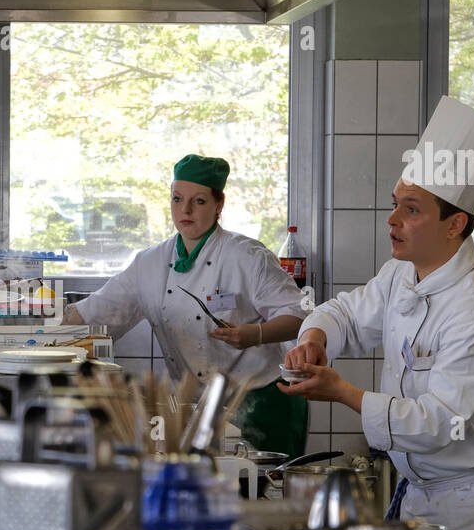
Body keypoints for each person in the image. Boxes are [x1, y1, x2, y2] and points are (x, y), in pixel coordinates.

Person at [280, 96, 474, 530]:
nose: (392, 219)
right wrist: (314, 340)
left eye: (412, 209)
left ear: (455, 225)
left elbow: (439, 424)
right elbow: (346, 314)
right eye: (395, 203)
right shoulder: (404, 271)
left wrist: (344, 393)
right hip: (420, 494)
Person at [63, 154, 308, 457]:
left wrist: (253, 335)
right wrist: (37, 325)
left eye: (199, 201)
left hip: (263, 403)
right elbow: (96, 312)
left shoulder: (247, 257)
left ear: (219, 204)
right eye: (177, 199)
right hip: (196, 407)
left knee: (265, 494)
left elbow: (298, 315)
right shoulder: (149, 263)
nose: (185, 210)